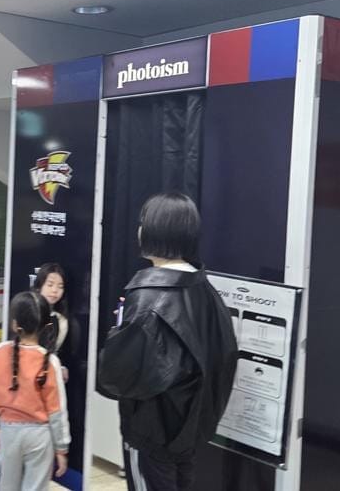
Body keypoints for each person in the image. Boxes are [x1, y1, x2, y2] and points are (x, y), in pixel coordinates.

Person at [96, 193, 237, 491]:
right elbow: (223, 356)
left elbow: (118, 375)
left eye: (142, 223)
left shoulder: (148, 297)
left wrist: (119, 331)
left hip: (153, 432)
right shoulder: (205, 289)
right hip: (191, 429)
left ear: (155, 231)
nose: (138, 229)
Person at [0, 291, 70, 490]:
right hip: (40, 436)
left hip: (8, 431)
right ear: (45, 326)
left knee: (7, 484)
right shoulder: (50, 361)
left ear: (14, 324)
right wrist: (61, 448)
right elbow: (57, 411)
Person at [31, 263, 81, 383]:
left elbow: (56, 351)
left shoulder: (61, 320)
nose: (55, 290)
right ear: (39, 286)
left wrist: (60, 367)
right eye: (50, 284)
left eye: (60, 286)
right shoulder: (29, 312)